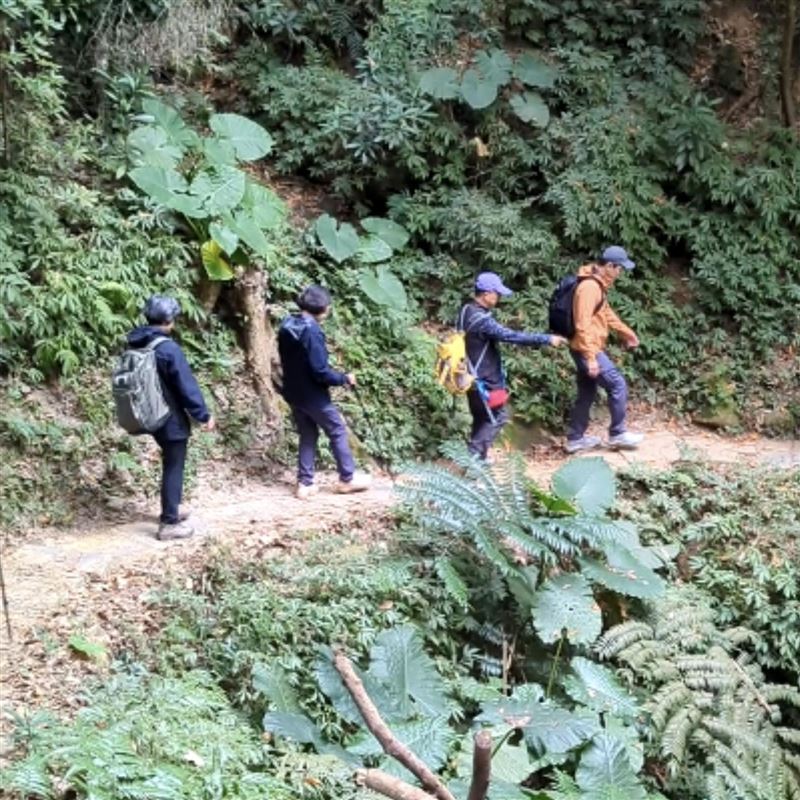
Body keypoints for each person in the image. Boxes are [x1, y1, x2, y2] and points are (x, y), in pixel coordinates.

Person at [126, 296, 215, 540]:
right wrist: (203, 415)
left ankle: (171, 508)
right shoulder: (167, 348)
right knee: (174, 466)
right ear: (169, 321)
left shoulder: (136, 343)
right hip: (169, 417)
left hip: (148, 414)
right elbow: (186, 386)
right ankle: (169, 523)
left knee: (170, 462)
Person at [278, 285, 371, 499]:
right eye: (327, 306)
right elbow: (320, 372)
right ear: (322, 308)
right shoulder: (311, 331)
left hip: (293, 392)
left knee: (308, 434)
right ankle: (347, 479)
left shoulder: (287, 324)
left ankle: (305, 484)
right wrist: (344, 378)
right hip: (313, 395)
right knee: (337, 429)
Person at [461, 272, 566, 461]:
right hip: (486, 381)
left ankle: (480, 458)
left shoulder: (465, 311)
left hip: (470, 378)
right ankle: (473, 461)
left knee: (482, 417)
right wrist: (547, 339)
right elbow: (512, 336)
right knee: (498, 417)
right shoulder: (482, 321)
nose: (499, 297)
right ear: (485, 294)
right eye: (497, 293)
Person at [565, 245, 644, 453]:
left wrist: (627, 332)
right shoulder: (589, 288)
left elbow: (606, 315)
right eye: (619, 268)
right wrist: (591, 357)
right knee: (617, 384)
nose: (620, 273)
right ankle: (618, 434)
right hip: (586, 348)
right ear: (609, 266)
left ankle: (575, 439)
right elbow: (582, 324)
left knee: (587, 392)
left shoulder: (597, 285)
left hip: (584, 347)